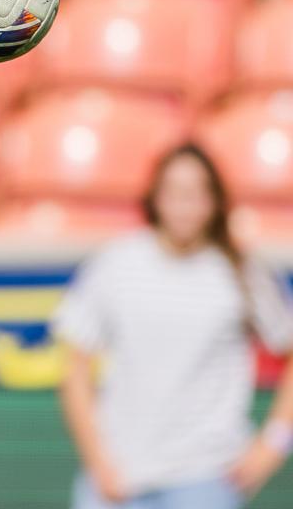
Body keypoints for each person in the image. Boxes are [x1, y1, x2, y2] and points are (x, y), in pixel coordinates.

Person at [55, 143, 293, 509]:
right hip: (118, 482)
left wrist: (273, 445)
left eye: (196, 193)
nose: (184, 205)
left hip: (206, 481)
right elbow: (75, 369)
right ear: (155, 198)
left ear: (215, 202)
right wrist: (98, 461)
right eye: (174, 192)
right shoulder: (116, 264)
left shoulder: (241, 271)